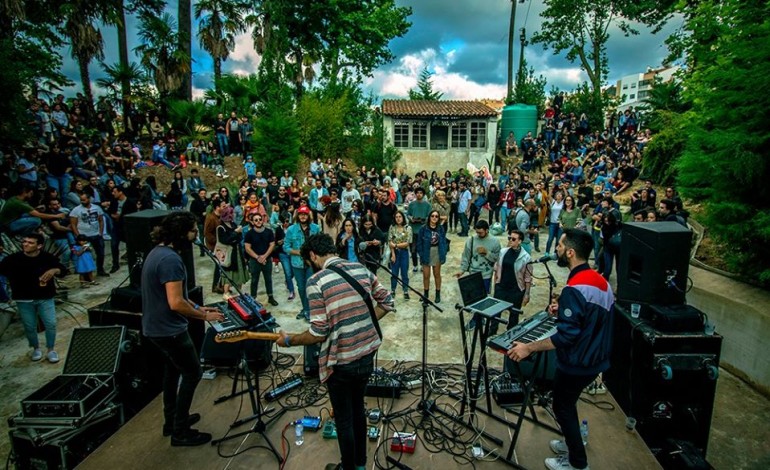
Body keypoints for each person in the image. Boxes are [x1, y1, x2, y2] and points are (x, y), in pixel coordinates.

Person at [274, 233, 394, 470]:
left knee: (344, 418)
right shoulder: (360, 268)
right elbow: (387, 301)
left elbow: (318, 333)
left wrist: (289, 341)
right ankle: (360, 465)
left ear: (312, 255)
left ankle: (348, 467)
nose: (310, 268)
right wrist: (365, 322)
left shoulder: (317, 282)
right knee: (358, 409)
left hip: (341, 362)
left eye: (309, 263)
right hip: (367, 352)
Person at [506, 229, 614, 470]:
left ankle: (577, 463)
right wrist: (563, 311)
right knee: (568, 403)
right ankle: (572, 442)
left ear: (571, 252)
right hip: (596, 358)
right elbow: (589, 319)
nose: (556, 249)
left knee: (562, 406)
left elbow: (567, 336)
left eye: (560, 246)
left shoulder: (574, 288)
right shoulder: (600, 281)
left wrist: (528, 348)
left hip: (578, 361)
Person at [141, 212, 224, 446]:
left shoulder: (158, 253)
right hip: (170, 330)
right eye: (192, 231)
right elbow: (175, 303)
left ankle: (172, 420)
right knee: (192, 372)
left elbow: (180, 297)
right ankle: (180, 431)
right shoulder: (171, 261)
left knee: (172, 372)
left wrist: (199, 306)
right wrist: (204, 315)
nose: (196, 236)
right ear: (180, 234)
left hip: (155, 328)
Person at [0, 233, 66, 363]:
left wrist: (54, 270)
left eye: (30, 242)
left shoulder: (47, 258)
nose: (25, 244)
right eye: (24, 241)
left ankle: (51, 349)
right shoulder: (13, 259)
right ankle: (36, 348)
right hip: (23, 299)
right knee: (29, 326)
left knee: (51, 324)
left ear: (39, 246)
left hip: (45, 297)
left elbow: (63, 270)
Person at [457, 220, 501, 330]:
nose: (478, 235)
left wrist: (487, 253)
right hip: (473, 273)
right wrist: (462, 270)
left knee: (482, 298)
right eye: (477, 232)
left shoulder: (495, 242)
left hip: (486, 274)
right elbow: (466, 256)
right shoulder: (471, 240)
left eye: (481, 233)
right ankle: (479, 318)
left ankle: (476, 319)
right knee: (474, 299)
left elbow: (497, 259)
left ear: (487, 230)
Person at [490, 229, 533, 335]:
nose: (510, 240)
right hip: (501, 287)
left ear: (520, 241)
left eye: (513, 239)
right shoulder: (503, 252)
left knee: (514, 314)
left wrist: (527, 294)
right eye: (509, 238)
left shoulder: (526, 257)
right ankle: (492, 331)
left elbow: (528, 277)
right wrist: (496, 283)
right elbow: (497, 268)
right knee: (495, 312)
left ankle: (510, 335)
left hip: (516, 290)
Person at [285, 206, 321, 321]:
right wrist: (298, 252)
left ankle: (310, 310)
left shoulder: (315, 228)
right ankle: (305, 309)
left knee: (310, 287)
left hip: (311, 263)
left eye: (305, 214)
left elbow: (320, 243)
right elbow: (286, 246)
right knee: (301, 287)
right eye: (301, 214)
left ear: (308, 215)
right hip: (297, 263)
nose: (303, 216)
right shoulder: (291, 229)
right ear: (298, 215)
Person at [0, 183, 66, 235]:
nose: (31, 195)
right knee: (37, 220)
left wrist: (36, 209)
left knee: (32, 214)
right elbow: (39, 215)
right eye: (31, 193)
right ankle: (23, 235)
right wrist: (57, 216)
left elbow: (29, 210)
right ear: (25, 192)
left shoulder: (15, 198)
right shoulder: (19, 203)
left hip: (11, 219)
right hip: (8, 225)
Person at [69, 193, 108, 277]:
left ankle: (100, 270)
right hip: (84, 236)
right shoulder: (76, 210)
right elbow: (73, 224)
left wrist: (101, 232)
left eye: (84, 199)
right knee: (85, 256)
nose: (82, 201)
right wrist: (78, 236)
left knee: (100, 253)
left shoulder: (97, 208)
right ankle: (86, 275)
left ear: (89, 199)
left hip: (96, 234)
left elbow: (101, 220)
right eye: (81, 200)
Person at [244, 212, 278, 306]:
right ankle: (253, 298)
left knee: (268, 279)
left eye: (260, 219)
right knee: (254, 280)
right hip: (254, 260)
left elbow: (272, 245)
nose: (258, 221)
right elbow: (247, 248)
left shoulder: (269, 232)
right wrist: (258, 257)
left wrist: (264, 256)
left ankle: (270, 297)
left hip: (266, 259)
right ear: (252, 222)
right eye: (256, 220)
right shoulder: (249, 234)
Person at [416, 209, 449, 303]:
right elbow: (419, 243)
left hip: (437, 252)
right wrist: (421, 254)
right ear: (429, 217)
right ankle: (426, 294)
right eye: (432, 216)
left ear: (438, 218)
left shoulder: (440, 228)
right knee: (426, 275)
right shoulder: (423, 228)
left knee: (437, 274)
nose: (434, 218)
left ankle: (437, 293)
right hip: (426, 252)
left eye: (436, 216)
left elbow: (443, 241)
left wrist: (444, 252)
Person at [215, 206, 249, 298]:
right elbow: (225, 240)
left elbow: (239, 237)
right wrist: (235, 232)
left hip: (237, 252)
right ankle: (226, 292)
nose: (233, 215)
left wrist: (236, 234)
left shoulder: (233, 224)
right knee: (228, 272)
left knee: (239, 271)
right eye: (232, 213)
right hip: (228, 254)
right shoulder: (220, 227)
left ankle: (239, 291)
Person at [387, 211, 412, 300]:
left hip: (404, 252)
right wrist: (393, 254)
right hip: (395, 252)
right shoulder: (392, 227)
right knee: (394, 273)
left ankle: (405, 290)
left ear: (403, 218)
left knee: (404, 273)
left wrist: (396, 245)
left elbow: (407, 242)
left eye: (400, 216)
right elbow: (390, 241)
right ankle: (393, 290)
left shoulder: (408, 228)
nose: (398, 218)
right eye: (396, 217)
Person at [406, 187, 431, 272]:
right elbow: (408, 214)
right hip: (413, 230)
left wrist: (423, 220)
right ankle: (415, 265)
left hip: (423, 230)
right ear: (415, 194)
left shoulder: (427, 205)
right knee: (413, 249)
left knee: (423, 249)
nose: (419, 194)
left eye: (421, 193)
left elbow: (430, 216)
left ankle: (422, 265)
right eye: (417, 193)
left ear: (423, 194)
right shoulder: (412, 204)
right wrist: (411, 218)